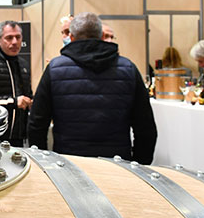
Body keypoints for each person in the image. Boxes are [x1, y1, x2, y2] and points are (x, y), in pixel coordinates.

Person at [27, 12, 157, 163]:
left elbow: (37, 125)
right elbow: (146, 128)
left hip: (68, 164)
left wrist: (45, 163)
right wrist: (138, 164)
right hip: (118, 164)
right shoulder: (128, 69)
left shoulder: (54, 70)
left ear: (72, 37)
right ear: (102, 36)